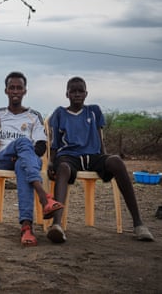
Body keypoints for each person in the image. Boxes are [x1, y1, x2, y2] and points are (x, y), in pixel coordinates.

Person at [47, 76, 154, 243]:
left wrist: (106, 158)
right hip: (69, 156)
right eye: (72, 91)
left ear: (86, 93)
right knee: (63, 169)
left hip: (94, 156)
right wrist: (51, 162)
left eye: (80, 91)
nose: (77, 94)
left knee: (116, 161)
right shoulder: (60, 113)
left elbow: (99, 138)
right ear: (66, 94)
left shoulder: (94, 111)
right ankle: (56, 225)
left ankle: (138, 223)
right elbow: (54, 143)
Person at [0, 71, 64, 247]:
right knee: (23, 142)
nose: (15, 91)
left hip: (27, 160)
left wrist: (23, 156)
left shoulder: (34, 115)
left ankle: (26, 228)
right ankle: (44, 197)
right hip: (3, 157)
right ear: (6, 91)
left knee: (22, 164)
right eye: (12, 88)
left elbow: (40, 146)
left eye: (19, 88)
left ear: (25, 91)